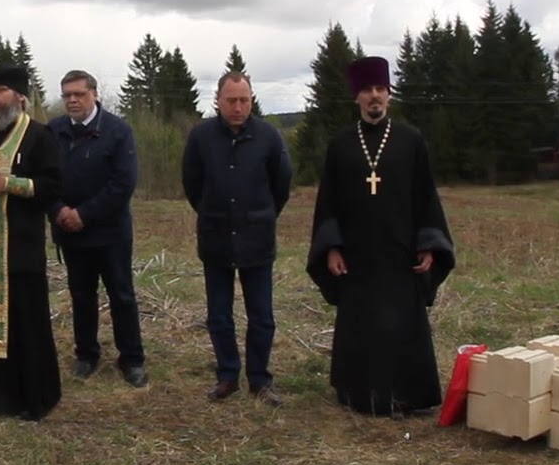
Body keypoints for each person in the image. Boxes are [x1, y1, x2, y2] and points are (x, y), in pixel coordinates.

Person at [306, 55, 457, 417]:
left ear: (388, 94)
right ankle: (358, 393)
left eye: (380, 89)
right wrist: (332, 248)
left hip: (400, 253)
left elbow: (426, 197)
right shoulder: (340, 145)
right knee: (361, 323)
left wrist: (429, 245)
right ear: (356, 96)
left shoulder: (410, 140)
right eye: (367, 90)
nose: (375, 96)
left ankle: (406, 394)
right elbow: (328, 202)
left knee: (401, 323)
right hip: (357, 256)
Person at [182, 72, 292, 406]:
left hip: (257, 240)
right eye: (231, 100)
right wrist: (212, 212)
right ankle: (227, 375)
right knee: (219, 314)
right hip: (216, 239)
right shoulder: (201, 138)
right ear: (218, 100)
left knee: (261, 316)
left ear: (252, 99)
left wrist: (260, 215)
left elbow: (281, 186)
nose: (238, 107)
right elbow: (192, 184)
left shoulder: (269, 137)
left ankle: (259, 379)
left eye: (244, 100)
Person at [0, 64, 63, 421]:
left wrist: (11, 184)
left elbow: (52, 186)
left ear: (19, 96)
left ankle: (33, 398)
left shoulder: (39, 135)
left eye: (1, 89)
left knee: (26, 324)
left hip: (20, 246)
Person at [46, 70, 147, 387]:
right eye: (67, 96)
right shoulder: (54, 132)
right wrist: (59, 210)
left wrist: (85, 214)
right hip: (70, 232)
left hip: (110, 233)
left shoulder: (117, 132)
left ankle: (131, 359)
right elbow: (44, 179)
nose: (73, 100)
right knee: (81, 296)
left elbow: (123, 183)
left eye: (79, 94)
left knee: (121, 295)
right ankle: (86, 354)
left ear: (94, 94)